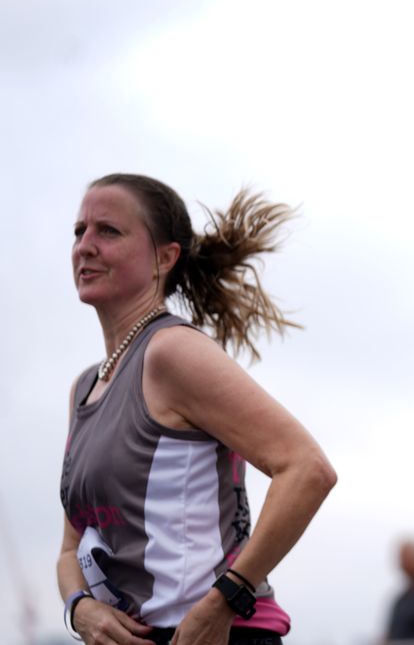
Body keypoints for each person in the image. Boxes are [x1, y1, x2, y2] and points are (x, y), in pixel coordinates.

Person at [58, 173, 338, 645]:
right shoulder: (85, 387)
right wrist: (79, 609)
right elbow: (70, 548)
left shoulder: (171, 353)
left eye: (108, 231)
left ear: (164, 258)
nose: (85, 245)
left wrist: (228, 597)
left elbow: (307, 469)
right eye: (78, 231)